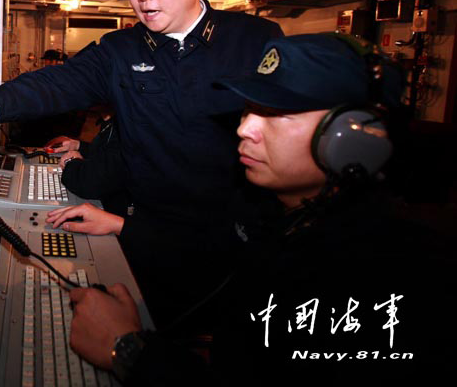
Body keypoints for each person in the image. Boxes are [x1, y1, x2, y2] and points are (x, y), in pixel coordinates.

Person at [0, 0, 283, 319]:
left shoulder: (255, 40)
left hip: (229, 244)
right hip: (146, 235)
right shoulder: (121, 49)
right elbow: (60, 81)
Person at [67, 34, 456, 385]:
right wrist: (121, 226)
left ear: (350, 139)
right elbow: (210, 252)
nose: (245, 128)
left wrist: (129, 351)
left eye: (275, 113)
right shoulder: (269, 208)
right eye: (248, 108)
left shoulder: (390, 272)